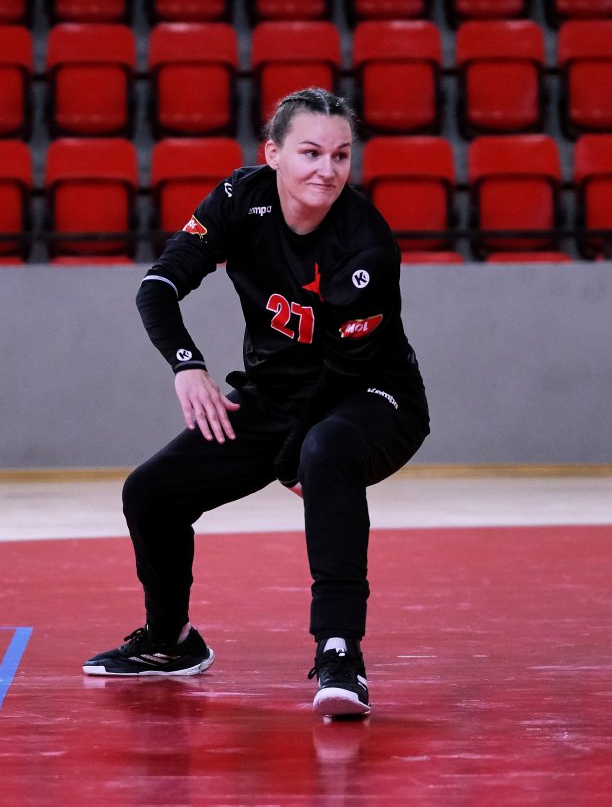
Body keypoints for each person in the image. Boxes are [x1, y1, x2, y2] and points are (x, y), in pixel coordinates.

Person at [82, 88, 430, 718]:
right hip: (275, 398)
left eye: (341, 155)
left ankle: (340, 654)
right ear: (273, 154)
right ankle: (170, 641)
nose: (327, 169)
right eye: (311, 152)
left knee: (325, 450)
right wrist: (187, 366)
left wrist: (290, 458)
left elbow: (343, 369)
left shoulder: (365, 245)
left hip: (371, 395)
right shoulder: (240, 199)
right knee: (151, 493)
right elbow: (158, 287)